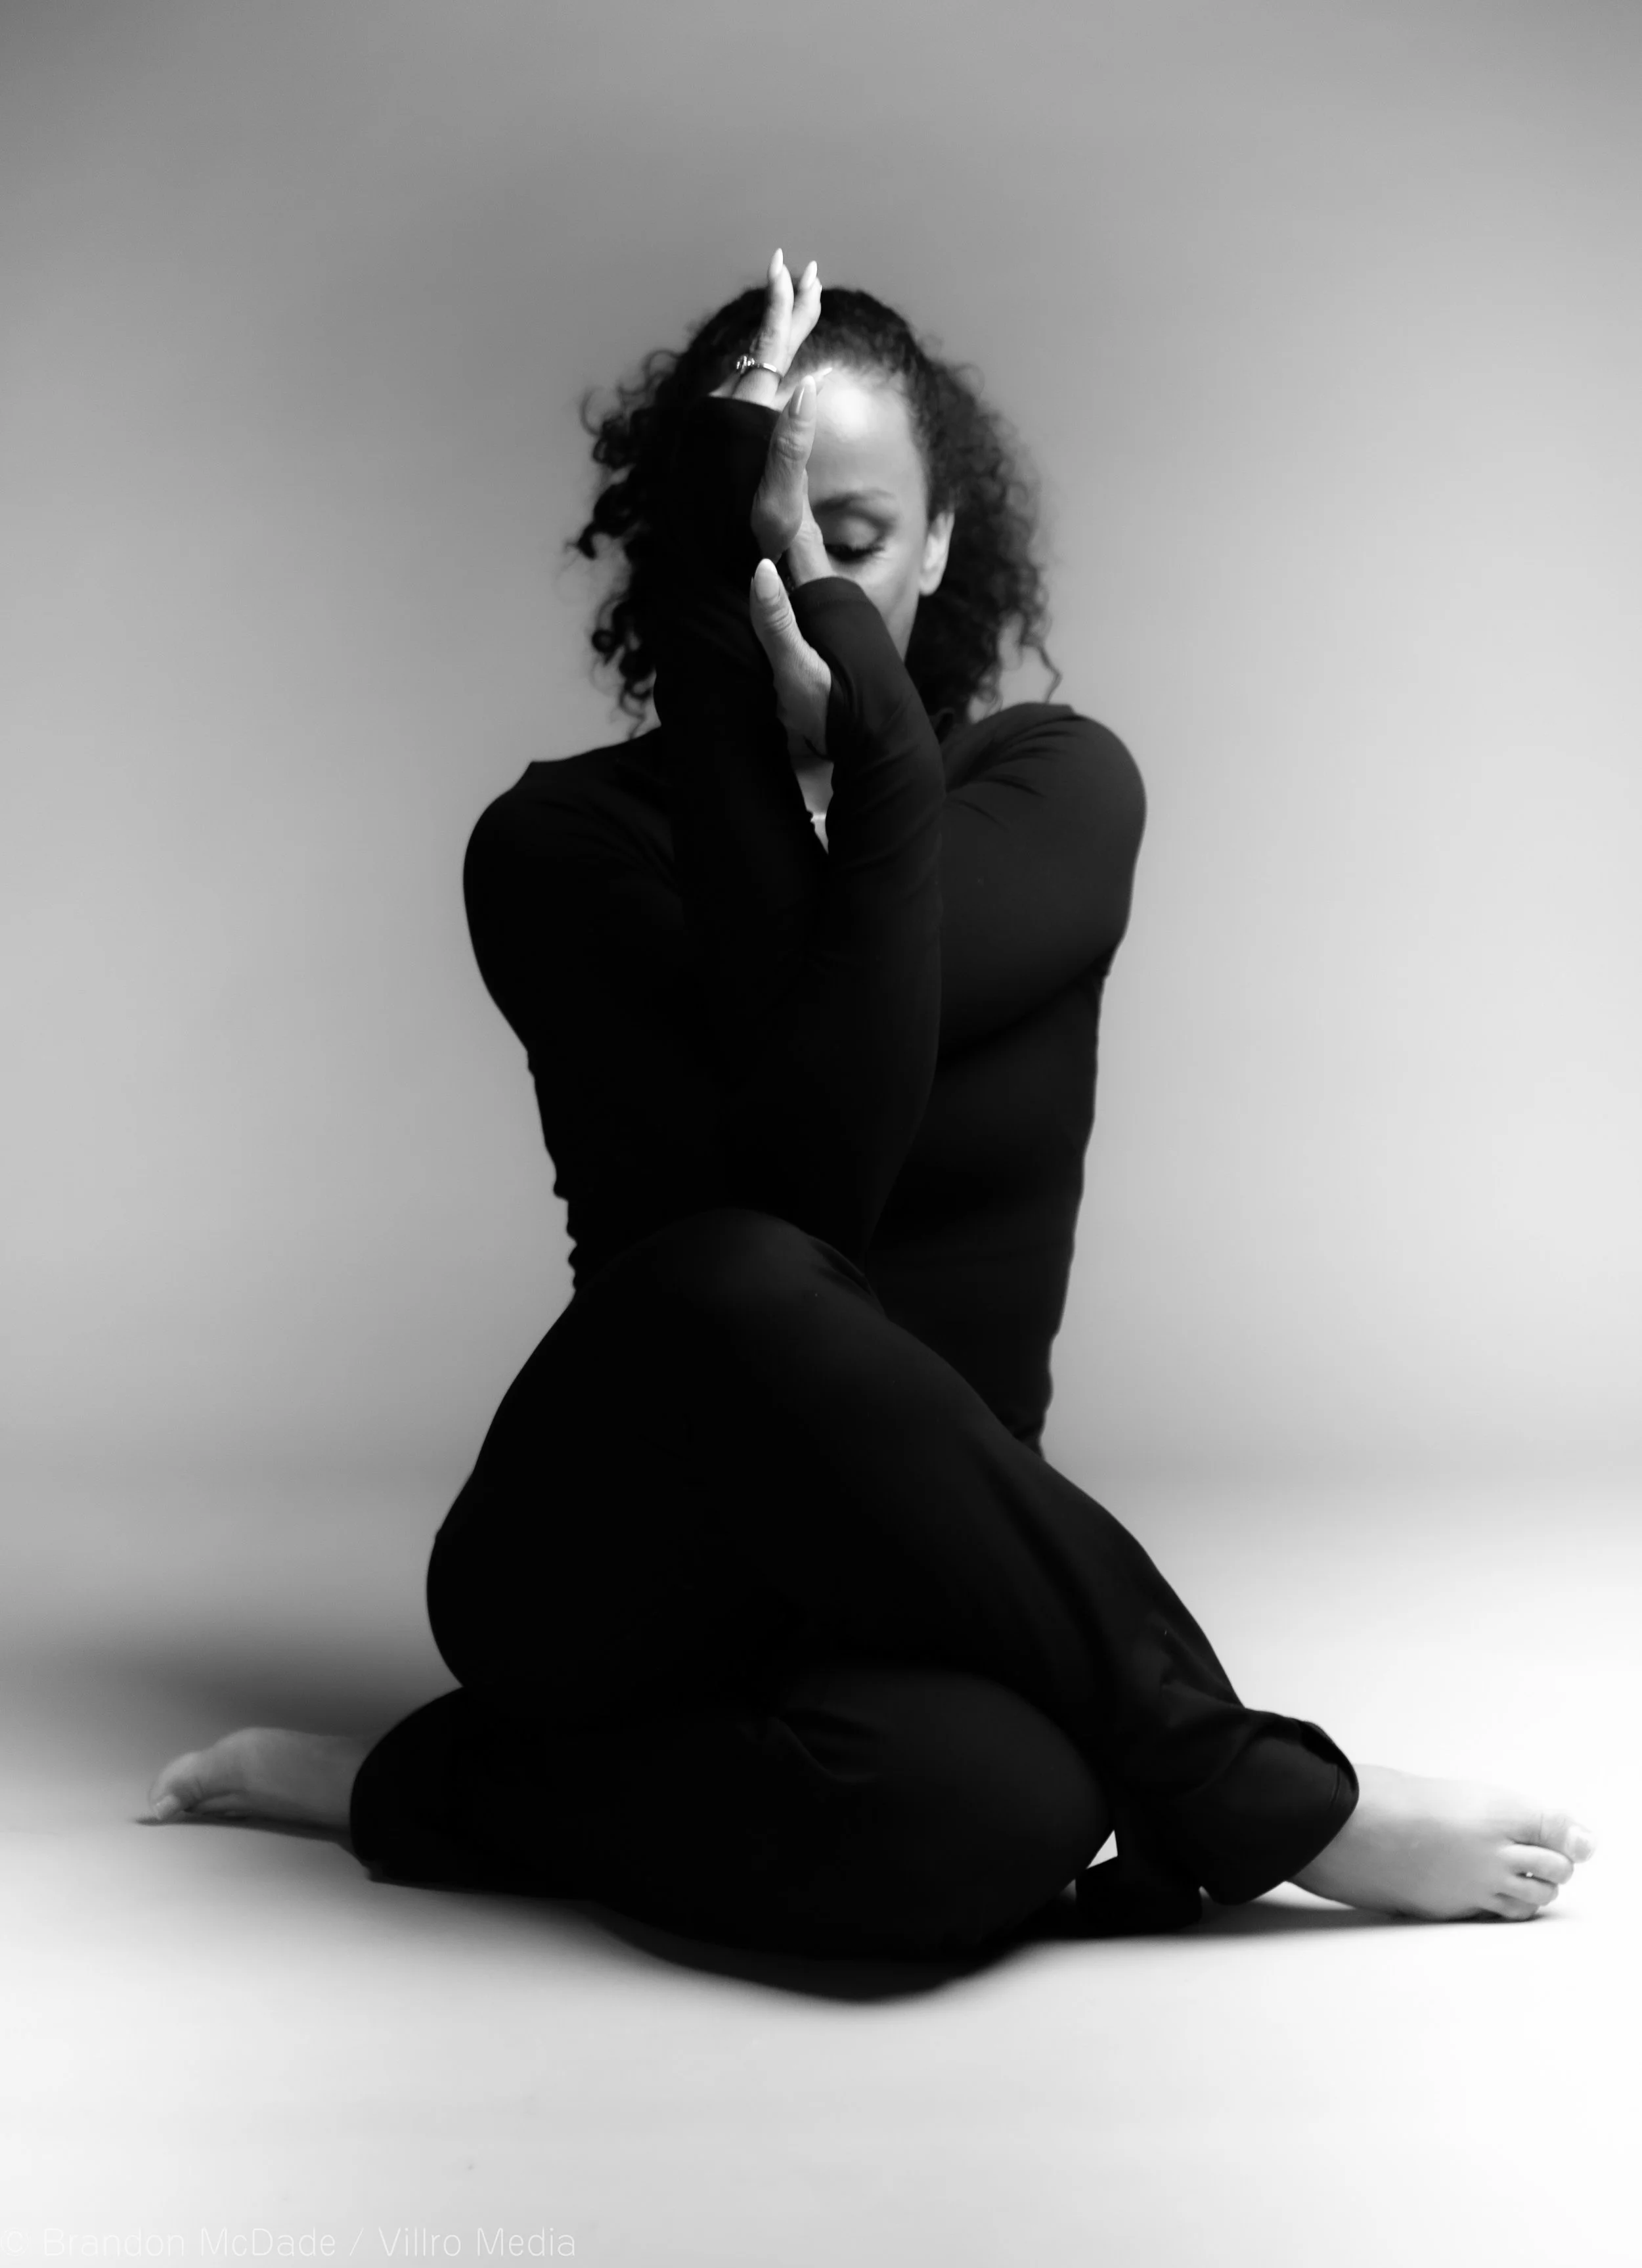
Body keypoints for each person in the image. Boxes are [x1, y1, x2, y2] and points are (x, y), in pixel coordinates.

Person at [147, 252, 1595, 1955]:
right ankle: (1271, 1792)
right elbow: (806, 1183)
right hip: (612, 1551)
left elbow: (850, 1029)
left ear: (939, 546)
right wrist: (765, 689)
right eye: (752, 540)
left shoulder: (1053, 791)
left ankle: (428, 1786)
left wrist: (879, 742)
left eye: (849, 539)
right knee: (743, 1269)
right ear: (690, 560)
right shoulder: (560, 849)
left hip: (940, 1576)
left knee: (987, 1824)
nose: (802, 583)